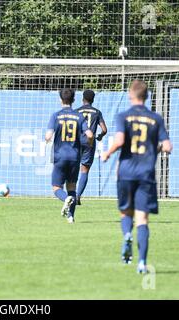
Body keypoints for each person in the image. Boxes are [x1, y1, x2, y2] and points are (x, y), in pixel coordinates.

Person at [101, 80, 172, 273]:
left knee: (125, 213)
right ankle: (141, 263)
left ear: (131, 96)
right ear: (146, 96)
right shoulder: (156, 118)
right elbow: (167, 146)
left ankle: (126, 235)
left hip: (125, 172)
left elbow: (120, 140)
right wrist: (155, 147)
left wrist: (107, 153)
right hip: (146, 174)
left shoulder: (124, 116)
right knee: (142, 219)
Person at [45, 88, 93, 223]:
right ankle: (70, 217)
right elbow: (89, 135)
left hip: (59, 156)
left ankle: (65, 198)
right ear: (73, 100)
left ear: (61, 100)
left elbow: (48, 136)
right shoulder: (79, 116)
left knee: (56, 187)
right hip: (75, 157)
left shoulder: (56, 115)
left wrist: (47, 139)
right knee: (72, 187)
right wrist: (88, 144)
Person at [76, 90, 107, 205]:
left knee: (73, 168)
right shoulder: (97, 112)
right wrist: (100, 136)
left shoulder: (77, 111)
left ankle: (70, 194)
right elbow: (104, 129)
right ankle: (78, 195)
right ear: (93, 100)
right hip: (89, 143)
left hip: (77, 142)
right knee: (84, 170)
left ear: (83, 99)